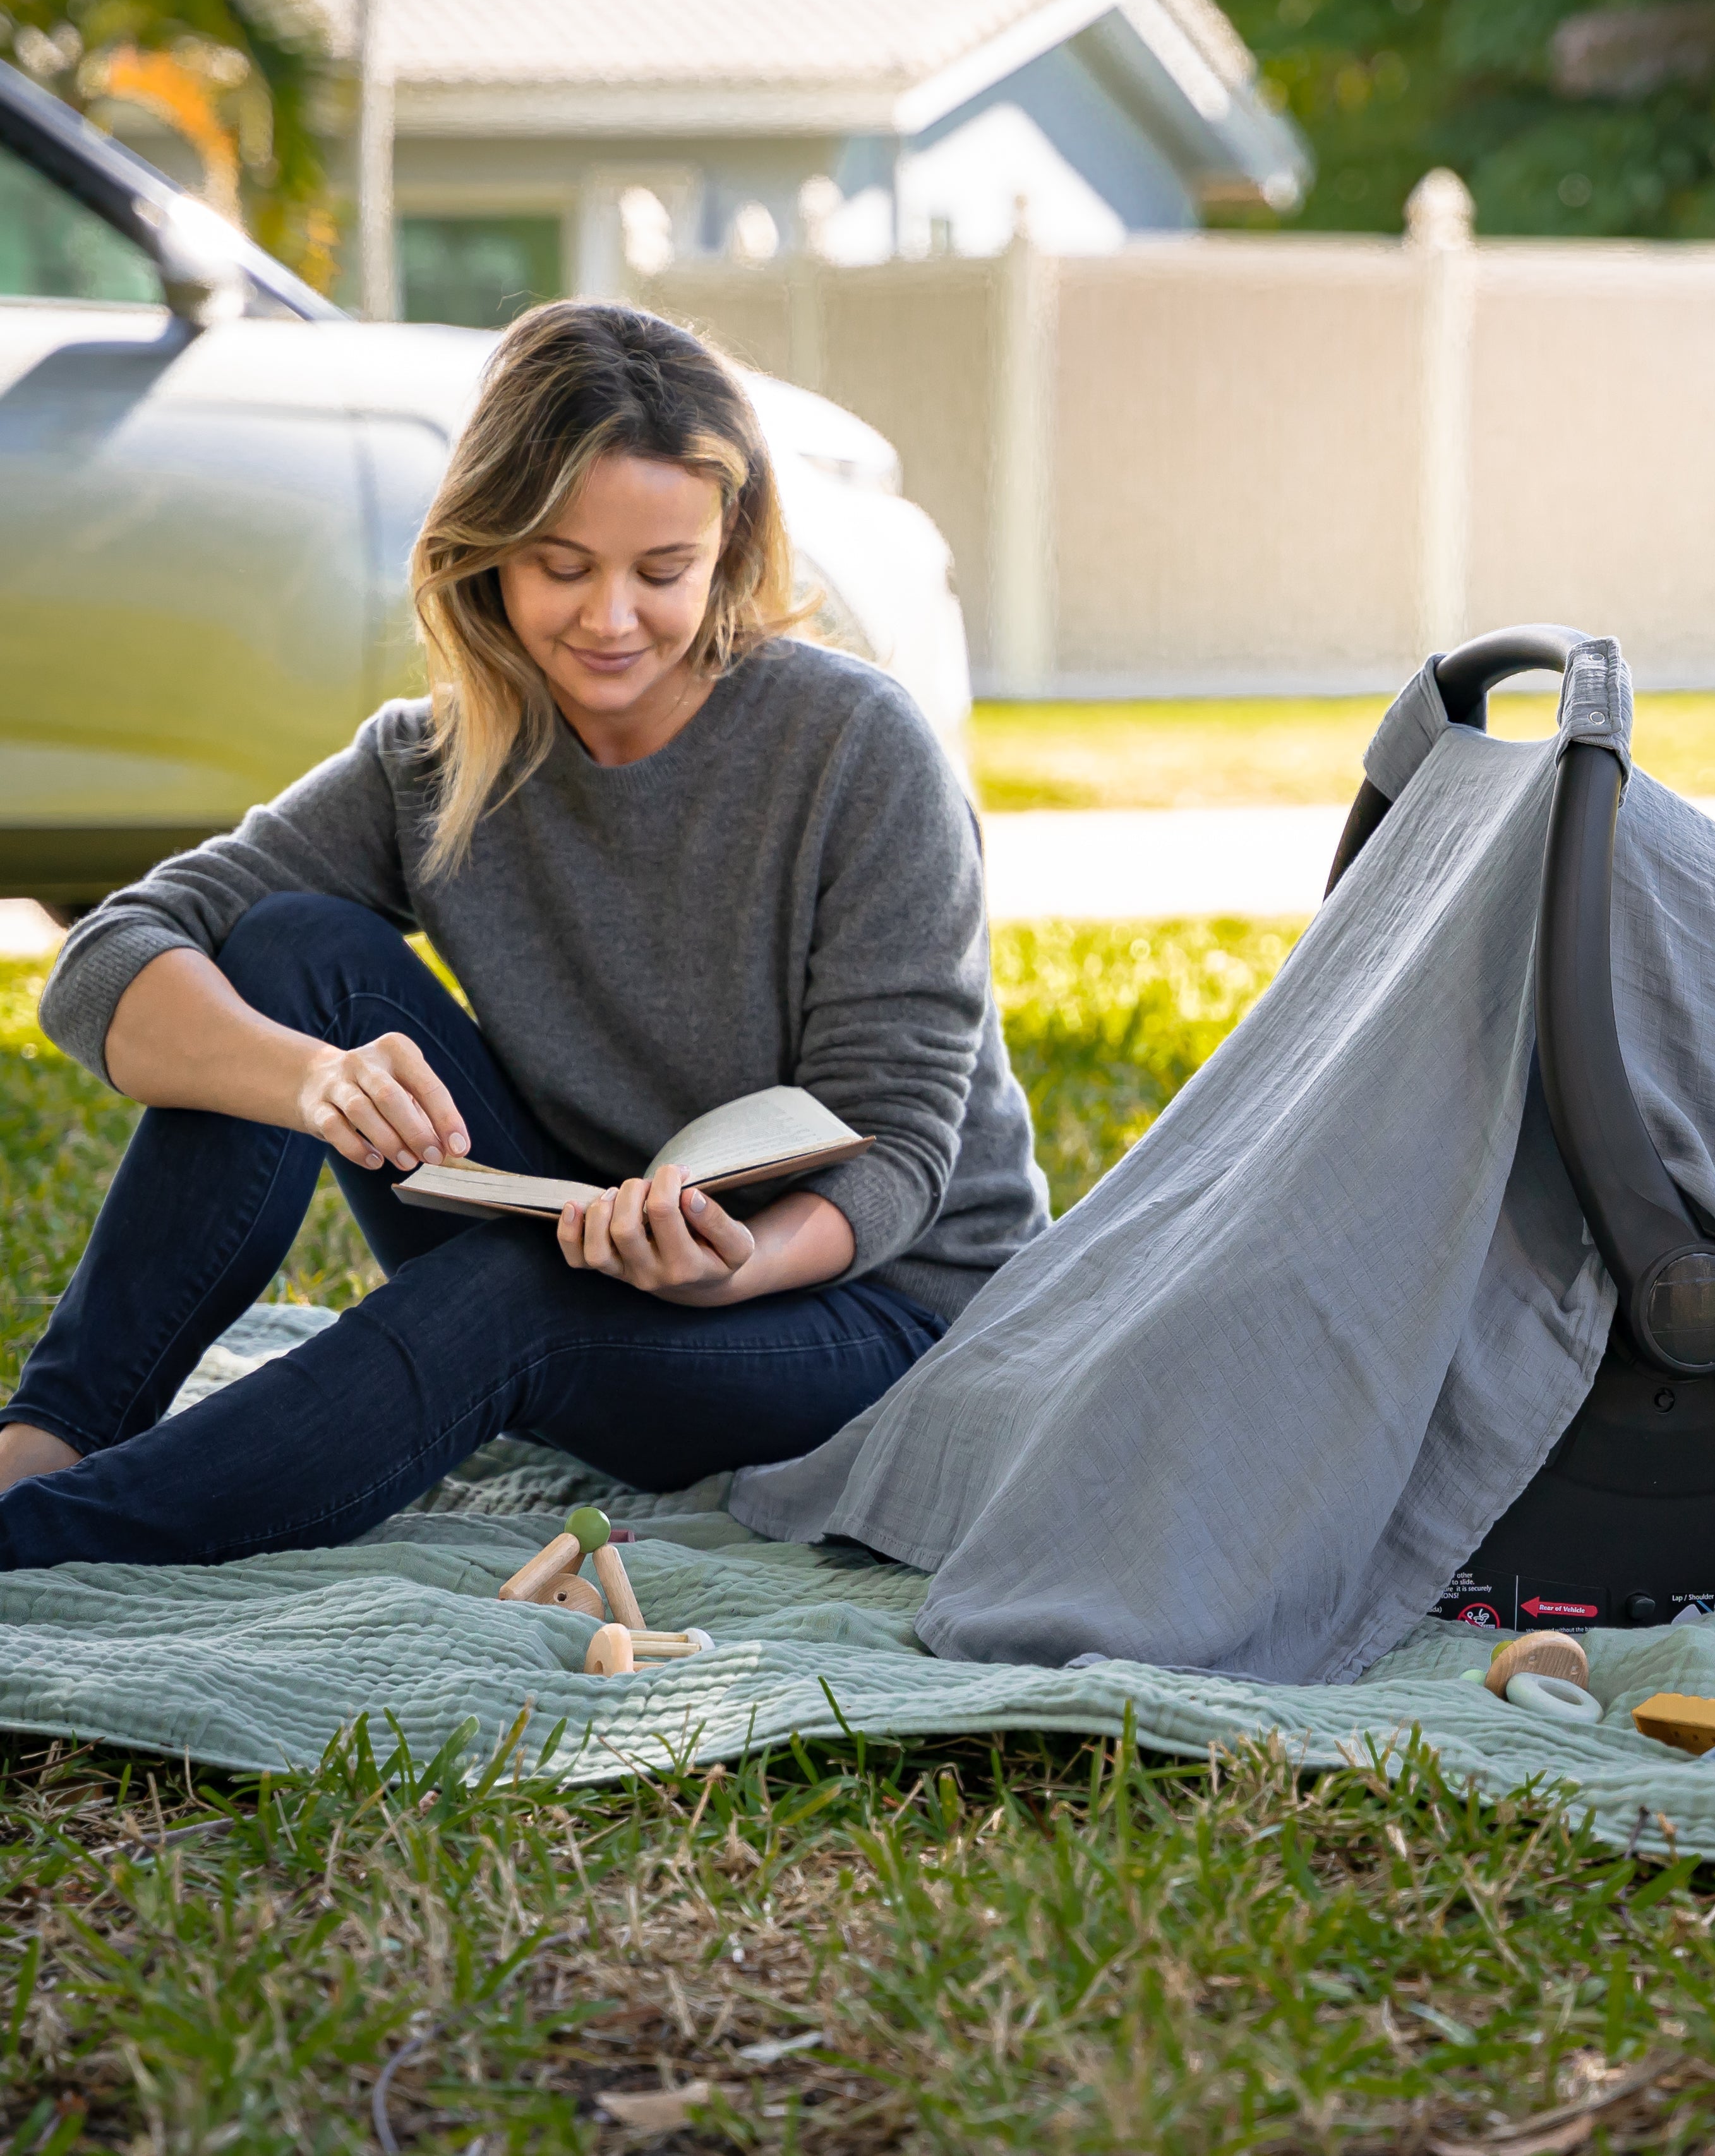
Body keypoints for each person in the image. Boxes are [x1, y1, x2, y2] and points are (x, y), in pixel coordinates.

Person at [0, 301, 1048, 1567]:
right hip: (602, 1246)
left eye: (662, 571)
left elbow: (901, 1148)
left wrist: (720, 1270)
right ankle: (50, 1440)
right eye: (563, 566)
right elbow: (107, 956)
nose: (612, 619)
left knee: (517, 1295)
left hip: (869, 1312)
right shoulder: (435, 764)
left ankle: (42, 1539)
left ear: (726, 547)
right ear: (488, 549)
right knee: (287, 949)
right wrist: (310, 1079)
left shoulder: (857, 748)